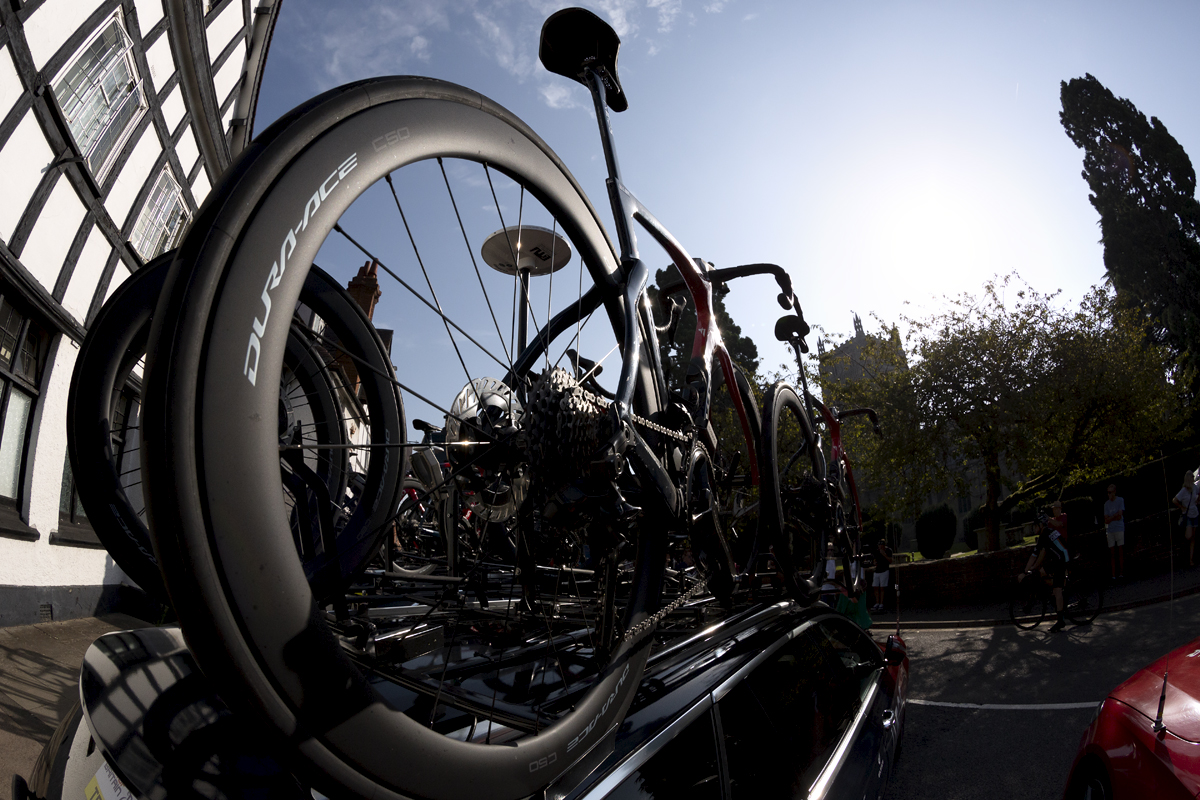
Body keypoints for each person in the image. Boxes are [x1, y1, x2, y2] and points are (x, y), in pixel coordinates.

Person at [1019, 511, 1071, 631]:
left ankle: (1060, 620)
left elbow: (1037, 556)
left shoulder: (1045, 535)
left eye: (1035, 525)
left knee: (1057, 590)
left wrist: (1026, 572)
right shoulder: (1046, 534)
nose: (1034, 528)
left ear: (1041, 526)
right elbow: (1038, 554)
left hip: (1062, 560)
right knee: (1042, 571)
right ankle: (1054, 597)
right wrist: (1028, 570)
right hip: (1057, 560)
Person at [1173, 470, 1200, 566]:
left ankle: (1191, 560)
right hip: (1188, 515)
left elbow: (1199, 493)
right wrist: (1182, 507)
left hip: (1195, 513)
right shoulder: (1184, 490)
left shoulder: (1194, 488)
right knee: (1189, 536)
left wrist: (1197, 501)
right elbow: (1175, 500)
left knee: (1193, 537)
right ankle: (1186, 557)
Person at [1102, 484, 1125, 580]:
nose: (1109, 494)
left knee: (1120, 551)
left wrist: (1111, 518)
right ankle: (1113, 575)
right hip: (1110, 530)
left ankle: (1121, 573)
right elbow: (1106, 520)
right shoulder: (1106, 504)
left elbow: (1120, 516)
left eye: (1110, 492)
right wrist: (1114, 516)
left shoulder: (1120, 500)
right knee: (1112, 553)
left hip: (1119, 528)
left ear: (1114, 492)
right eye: (1108, 493)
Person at [871, 538, 892, 612]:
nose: (880, 547)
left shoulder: (888, 550)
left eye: (881, 545)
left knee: (882, 588)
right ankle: (877, 602)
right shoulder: (877, 552)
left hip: (884, 571)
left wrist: (884, 555)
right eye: (879, 545)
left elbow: (890, 561)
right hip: (877, 571)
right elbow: (874, 560)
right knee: (875, 587)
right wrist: (874, 563)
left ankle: (881, 603)